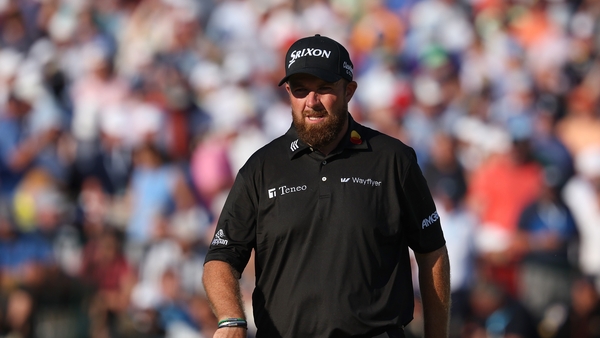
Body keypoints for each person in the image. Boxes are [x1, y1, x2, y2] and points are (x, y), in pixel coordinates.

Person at [202, 34, 450, 338]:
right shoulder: (261, 167)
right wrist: (230, 319)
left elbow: (432, 252)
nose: (311, 102)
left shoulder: (392, 159)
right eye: (300, 90)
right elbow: (221, 257)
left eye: (324, 89)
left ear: (349, 91)